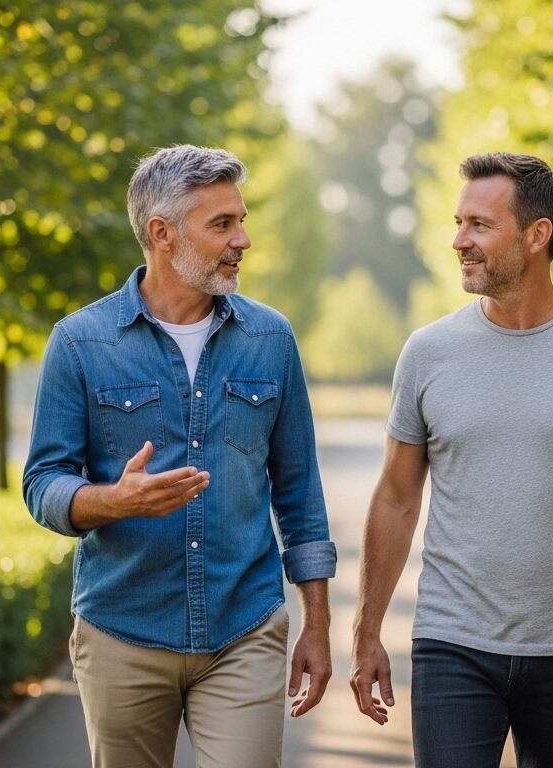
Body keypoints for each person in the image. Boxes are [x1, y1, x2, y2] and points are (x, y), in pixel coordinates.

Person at [348, 152, 553, 767]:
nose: (458, 241)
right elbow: (395, 497)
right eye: (458, 222)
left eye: (478, 225)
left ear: (536, 235)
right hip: (453, 644)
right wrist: (367, 631)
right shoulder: (429, 352)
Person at [23, 145, 335, 768]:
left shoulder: (271, 338)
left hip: (243, 628)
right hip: (122, 630)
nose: (242, 239)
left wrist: (318, 627)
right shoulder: (79, 342)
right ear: (161, 234)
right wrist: (111, 501)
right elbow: (42, 483)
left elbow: (299, 491)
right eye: (222, 224)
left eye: (241, 220)